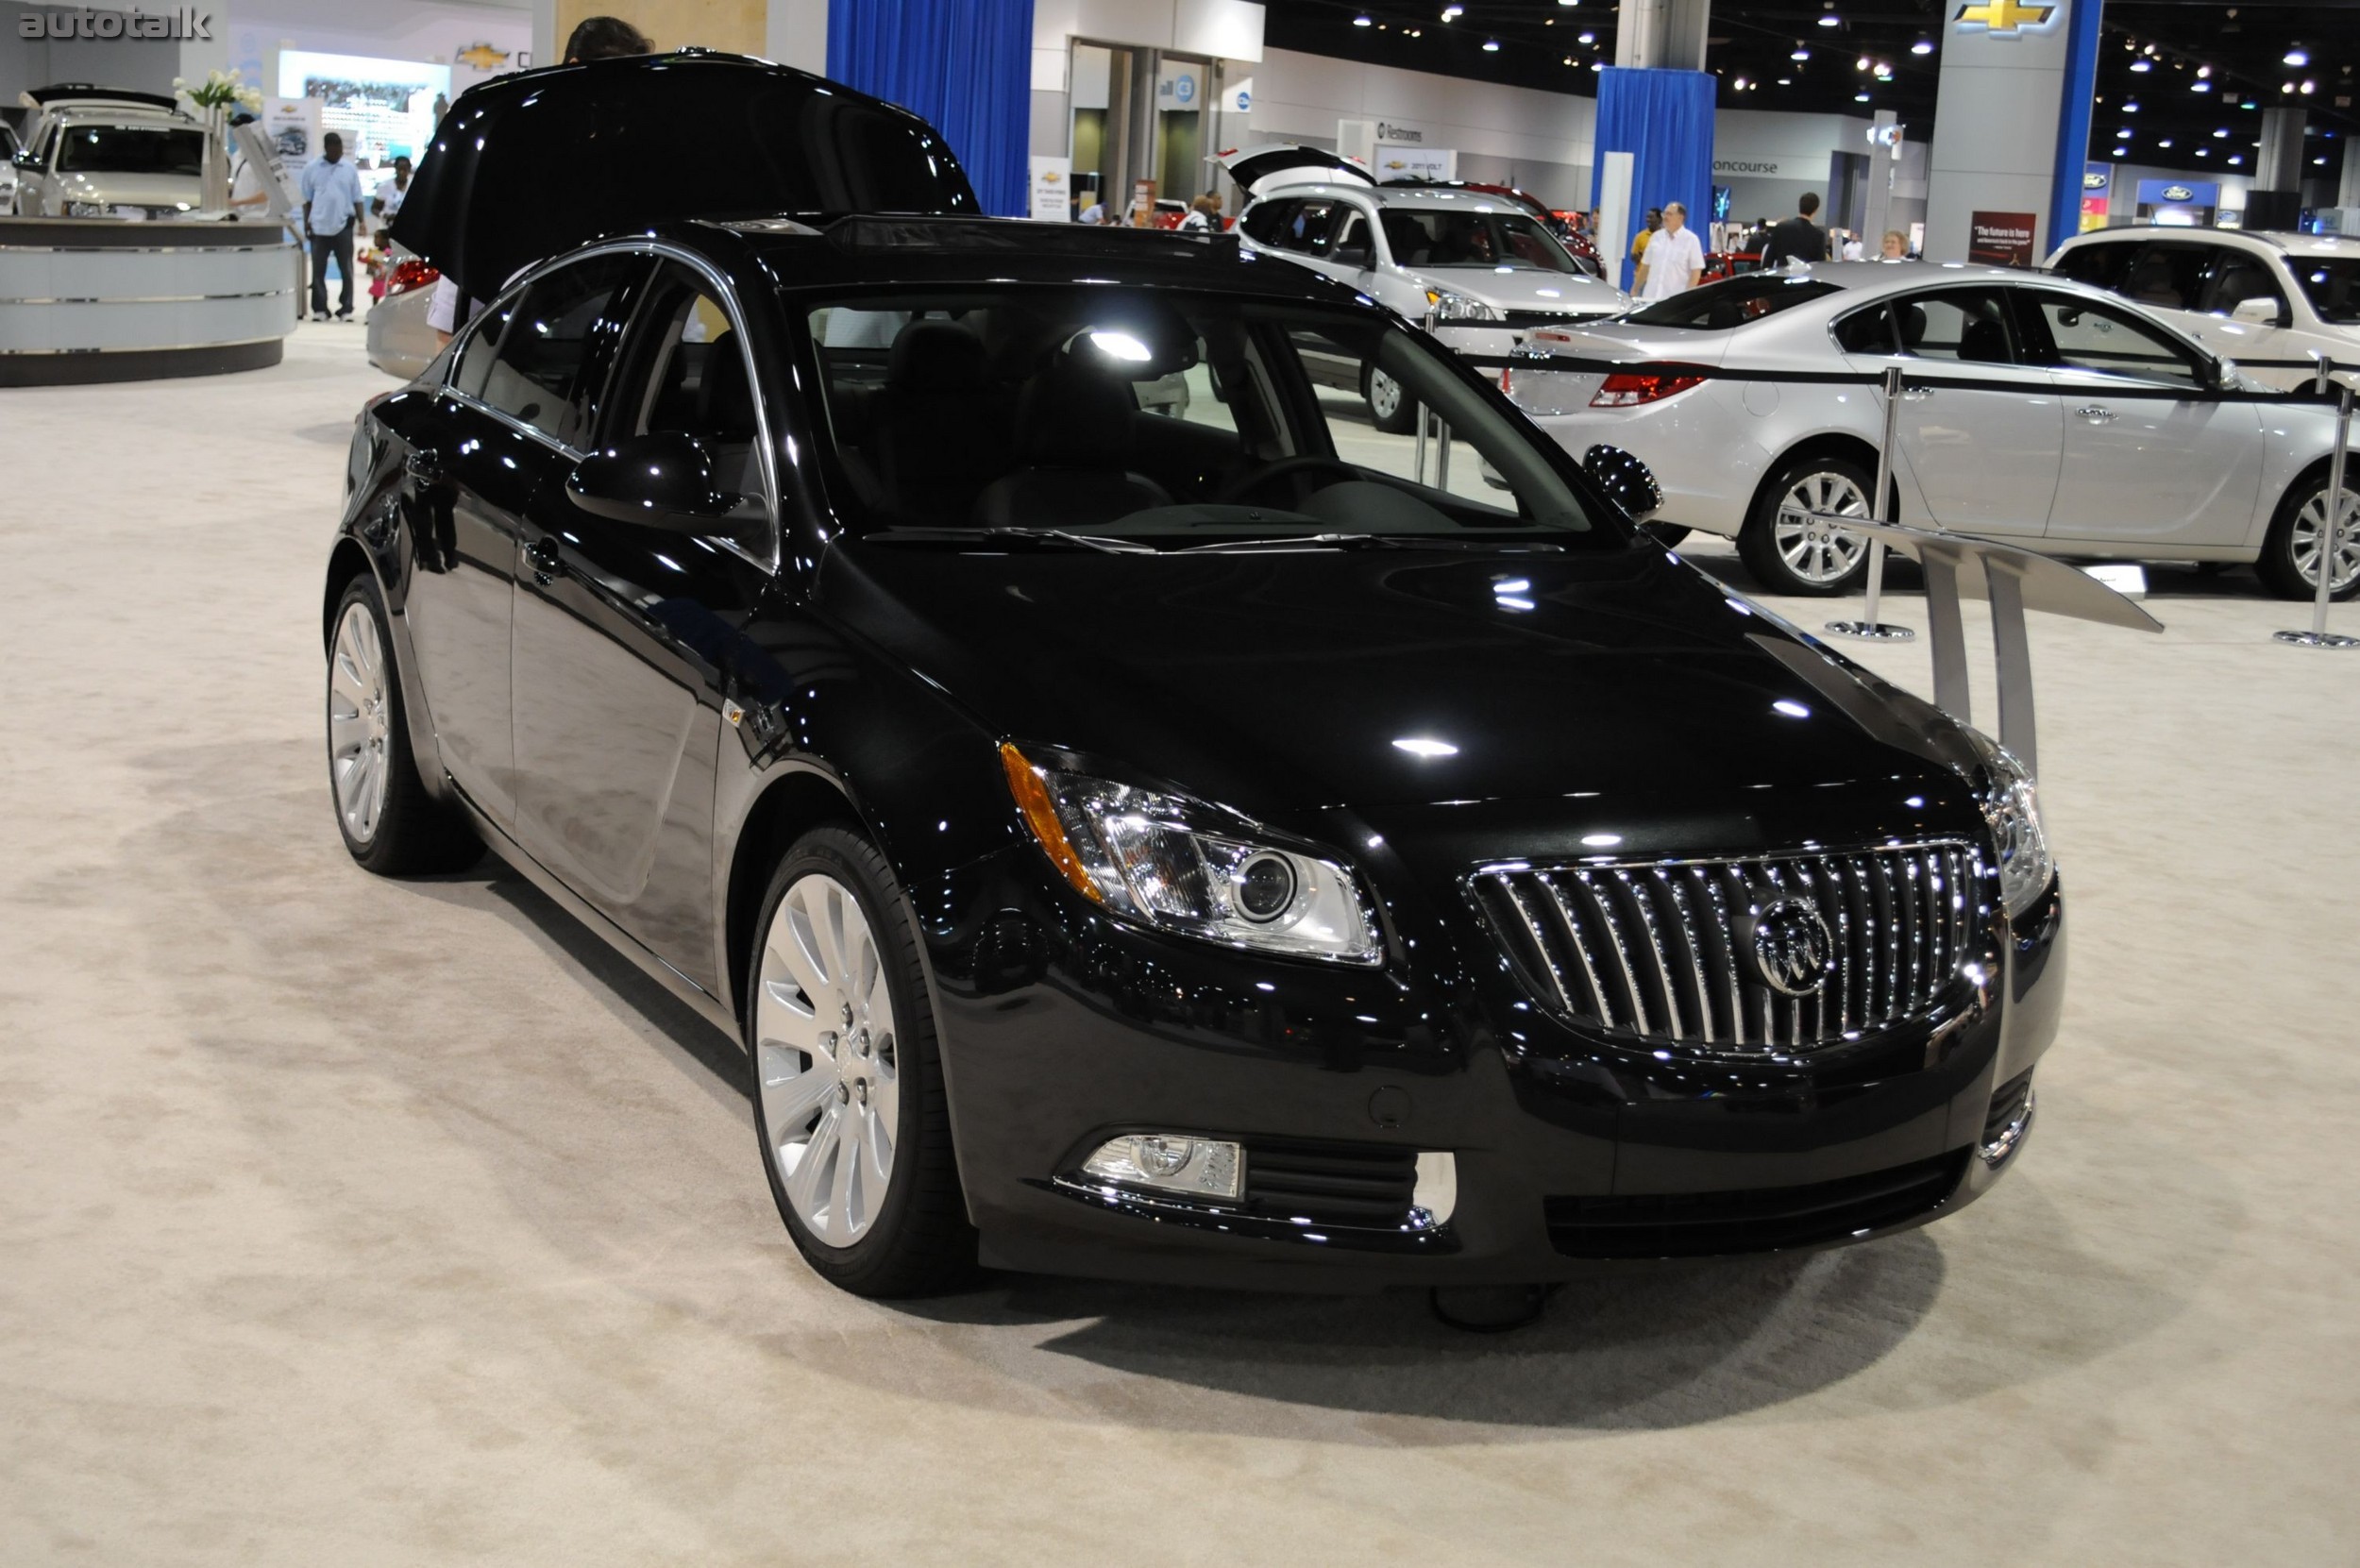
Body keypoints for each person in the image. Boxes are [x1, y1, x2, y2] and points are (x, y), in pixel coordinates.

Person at [429, 15, 651, 344]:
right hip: (513, 379)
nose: (622, 104)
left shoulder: (637, 181)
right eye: (615, 86)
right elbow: (451, 327)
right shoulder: (510, 169)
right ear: (574, 70)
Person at [299, 131, 364, 321]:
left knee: (346, 269)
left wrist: (362, 222)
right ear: (326, 148)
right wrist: (306, 223)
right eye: (334, 148)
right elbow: (307, 200)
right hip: (319, 226)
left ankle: (346, 308)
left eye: (340, 148)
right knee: (319, 270)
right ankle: (320, 309)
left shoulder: (349, 168)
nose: (338, 152)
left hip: (344, 225)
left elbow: (358, 197)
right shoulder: (312, 168)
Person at [1633, 199, 1704, 301]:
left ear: (1680, 217)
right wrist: (1635, 288)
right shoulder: (1656, 237)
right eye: (1664, 214)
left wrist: (1687, 297)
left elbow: (1696, 272)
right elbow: (1645, 266)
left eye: (1669, 214)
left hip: (1674, 301)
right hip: (1650, 297)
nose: (1665, 217)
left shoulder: (1691, 240)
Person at [1763, 193, 1828, 268]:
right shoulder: (1818, 235)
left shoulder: (1781, 228)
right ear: (1816, 210)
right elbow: (1819, 266)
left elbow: (1768, 260)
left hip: (1781, 277)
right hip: (1806, 278)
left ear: (1799, 207)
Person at [371, 154, 412, 245]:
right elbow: (374, 208)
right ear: (395, 168)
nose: (402, 172)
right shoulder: (385, 186)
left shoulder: (415, 186)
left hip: (407, 230)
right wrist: (385, 215)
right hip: (386, 230)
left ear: (409, 169)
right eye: (399, 169)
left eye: (404, 170)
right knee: (386, 256)